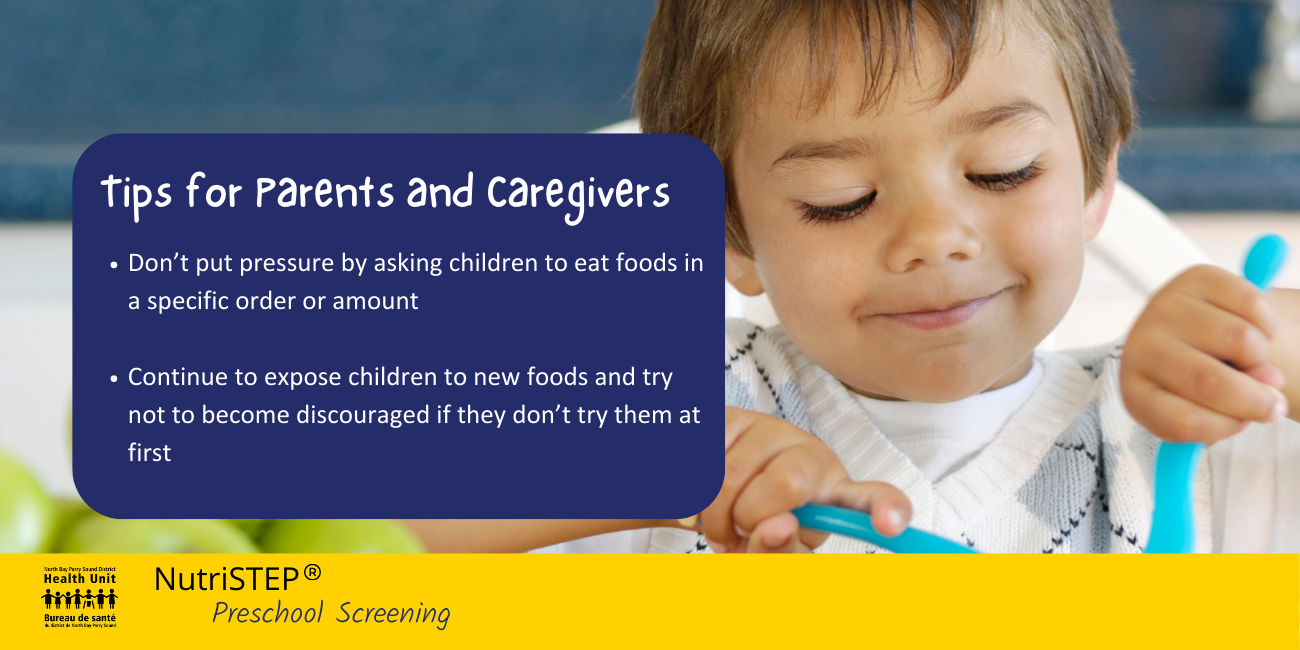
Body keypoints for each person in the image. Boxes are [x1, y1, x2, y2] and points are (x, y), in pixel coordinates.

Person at [403, 0, 1300, 553]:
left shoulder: (1190, 439)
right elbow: (334, 530)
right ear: (729, 234)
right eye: (842, 201)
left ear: (1097, 179)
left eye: (1003, 172)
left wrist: (1271, 345)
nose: (934, 239)